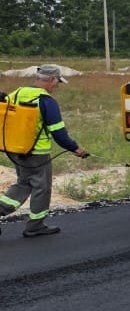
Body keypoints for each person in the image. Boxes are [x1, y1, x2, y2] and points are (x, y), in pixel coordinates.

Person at [0, 64, 90, 238]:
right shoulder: (46, 101)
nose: (57, 86)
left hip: (14, 149)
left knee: (24, 183)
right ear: (52, 79)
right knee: (42, 187)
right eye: (58, 82)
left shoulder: (17, 93)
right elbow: (59, 134)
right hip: (36, 154)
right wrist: (76, 148)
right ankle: (36, 226)